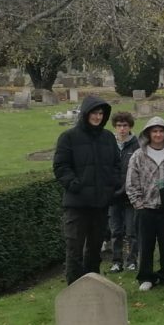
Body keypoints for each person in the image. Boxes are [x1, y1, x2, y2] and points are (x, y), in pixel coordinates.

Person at [53, 95, 121, 284]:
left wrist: (112, 185)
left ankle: (93, 284)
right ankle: (74, 286)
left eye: (101, 113)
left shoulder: (107, 137)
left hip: (100, 204)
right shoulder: (69, 137)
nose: (98, 117)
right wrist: (75, 184)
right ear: (85, 114)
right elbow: (61, 167)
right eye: (94, 113)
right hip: (77, 204)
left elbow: (116, 164)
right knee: (74, 248)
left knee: (94, 247)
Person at [126, 116, 164, 292]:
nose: (158, 134)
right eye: (154, 131)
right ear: (148, 134)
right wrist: (138, 203)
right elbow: (131, 181)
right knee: (146, 244)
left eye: (161, 131)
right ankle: (145, 276)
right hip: (146, 208)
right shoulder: (138, 155)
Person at [108, 112, 140, 272]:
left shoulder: (136, 145)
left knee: (131, 231)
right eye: (119, 125)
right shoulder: (109, 143)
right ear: (115, 126)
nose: (122, 129)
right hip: (113, 197)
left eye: (125, 125)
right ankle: (116, 261)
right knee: (116, 231)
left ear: (130, 126)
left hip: (130, 196)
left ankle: (132, 260)